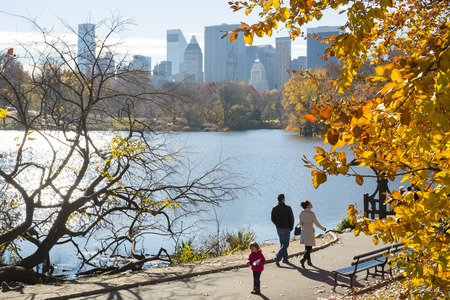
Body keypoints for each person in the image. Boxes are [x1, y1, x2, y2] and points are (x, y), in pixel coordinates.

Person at [299, 200, 326, 268]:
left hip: (304, 230)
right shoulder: (312, 214)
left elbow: (300, 223)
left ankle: (309, 261)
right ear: (308, 205)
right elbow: (317, 223)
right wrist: (323, 228)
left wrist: (303, 226)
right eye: (310, 204)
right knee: (309, 248)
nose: (312, 205)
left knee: (306, 246)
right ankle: (303, 259)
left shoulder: (301, 213)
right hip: (310, 230)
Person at [271, 193, 294, 266]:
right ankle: (278, 257)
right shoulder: (288, 208)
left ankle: (285, 259)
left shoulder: (274, 208)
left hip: (279, 228)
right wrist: (291, 227)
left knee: (282, 243)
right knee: (286, 244)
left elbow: (272, 219)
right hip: (286, 228)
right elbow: (291, 219)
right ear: (283, 199)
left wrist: (277, 224)